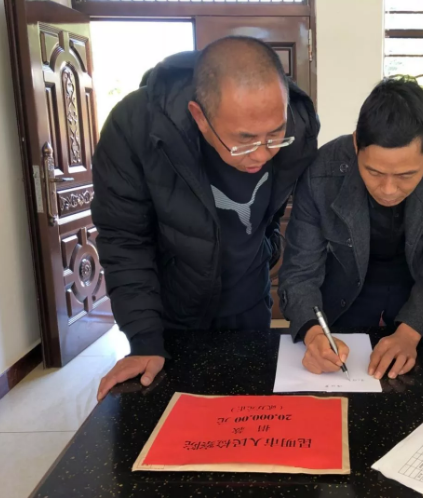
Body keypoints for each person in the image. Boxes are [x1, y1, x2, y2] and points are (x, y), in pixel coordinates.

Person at [92, 37, 319, 401]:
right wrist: (145, 339)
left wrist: (266, 249)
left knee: (249, 413)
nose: (262, 155)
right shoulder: (135, 128)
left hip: (250, 303)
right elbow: (124, 240)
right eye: (245, 140)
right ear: (200, 116)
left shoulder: (300, 125)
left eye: (275, 135)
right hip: (173, 313)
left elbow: (273, 210)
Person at [278, 77, 423, 380]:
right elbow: (300, 269)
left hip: (422, 293)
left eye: (406, 175)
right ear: (356, 144)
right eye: (373, 171)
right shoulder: (321, 172)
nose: (388, 190)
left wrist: (409, 333)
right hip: (346, 293)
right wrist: (314, 334)